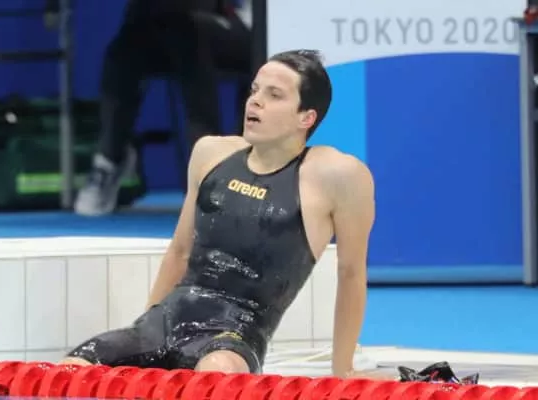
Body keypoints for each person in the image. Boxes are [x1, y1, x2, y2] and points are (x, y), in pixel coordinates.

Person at [62, 49, 375, 378]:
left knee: (217, 373)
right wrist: (146, 327)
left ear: (306, 118)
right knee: (70, 370)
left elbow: (351, 274)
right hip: (167, 318)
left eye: (274, 95)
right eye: (254, 90)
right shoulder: (211, 153)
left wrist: (343, 369)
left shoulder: (335, 176)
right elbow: (180, 251)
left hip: (233, 337)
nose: (255, 102)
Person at [72, 0, 252, 216]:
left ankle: (209, 169)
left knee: (188, 34)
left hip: (244, 24)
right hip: (171, 25)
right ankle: (109, 160)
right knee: (126, 48)